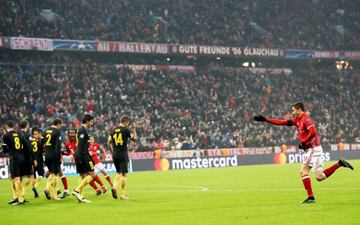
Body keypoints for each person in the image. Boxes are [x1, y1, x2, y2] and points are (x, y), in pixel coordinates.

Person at [254, 102, 354, 203]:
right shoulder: (297, 120)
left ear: (299, 109)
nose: (292, 112)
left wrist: (304, 142)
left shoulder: (306, 119)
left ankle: (310, 197)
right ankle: (339, 164)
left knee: (303, 171)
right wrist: (266, 120)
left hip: (313, 149)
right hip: (315, 149)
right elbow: (281, 122)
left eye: (294, 110)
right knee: (319, 177)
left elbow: (313, 132)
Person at [108, 116, 137, 200]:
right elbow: (135, 139)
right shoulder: (126, 130)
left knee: (118, 173)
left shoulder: (113, 130)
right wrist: (134, 129)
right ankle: (123, 195)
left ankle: (114, 186)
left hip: (115, 154)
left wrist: (112, 151)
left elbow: (109, 141)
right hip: (123, 154)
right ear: (126, 122)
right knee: (124, 174)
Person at [72, 114, 96, 203]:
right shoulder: (83, 130)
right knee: (92, 174)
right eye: (91, 121)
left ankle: (80, 197)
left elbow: (82, 143)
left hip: (79, 154)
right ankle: (77, 190)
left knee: (83, 175)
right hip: (83, 154)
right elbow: (81, 145)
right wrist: (82, 158)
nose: (92, 123)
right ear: (87, 121)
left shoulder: (81, 130)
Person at [2, 120, 26, 205]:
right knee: (12, 177)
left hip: (14, 158)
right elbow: (24, 145)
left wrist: (9, 148)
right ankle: (16, 197)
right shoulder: (19, 134)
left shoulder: (6, 136)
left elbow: (5, 150)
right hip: (21, 157)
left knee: (16, 179)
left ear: (6, 126)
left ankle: (20, 199)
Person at [43, 119, 63, 201]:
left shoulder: (45, 131)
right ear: (58, 124)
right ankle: (54, 196)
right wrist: (59, 157)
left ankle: (47, 188)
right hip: (54, 154)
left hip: (46, 154)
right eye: (60, 125)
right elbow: (58, 146)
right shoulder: (57, 131)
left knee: (51, 173)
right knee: (55, 174)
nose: (60, 126)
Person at [19, 120, 36, 199]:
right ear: (26, 125)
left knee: (19, 177)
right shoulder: (28, 134)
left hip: (19, 157)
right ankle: (22, 192)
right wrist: (34, 159)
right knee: (31, 177)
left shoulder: (17, 134)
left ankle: (17, 195)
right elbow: (30, 148)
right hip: (27, 158)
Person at [31, 127, 45, 198]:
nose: (35, 135)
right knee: (41, 175)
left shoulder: (30, 141)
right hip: (39, 160)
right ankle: (35, 186)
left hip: (32, 160)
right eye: (35, 134)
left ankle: (35, 193)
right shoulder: (42, 140)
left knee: (34, 177)